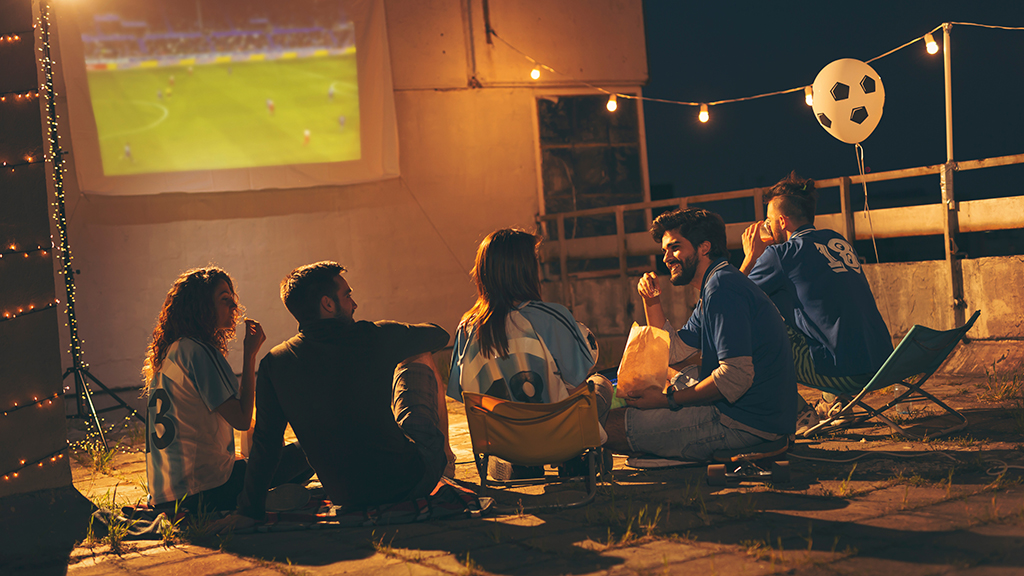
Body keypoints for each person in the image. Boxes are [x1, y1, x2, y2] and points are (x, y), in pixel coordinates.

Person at [220, 261, 454, 529]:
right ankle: (445, 460)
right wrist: (394, 338)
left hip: (346, 495)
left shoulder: (276, 362)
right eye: (347, 295)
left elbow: (266, 442)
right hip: (408, 481)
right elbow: (439, 335)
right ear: (327, 304)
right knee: (419, 356)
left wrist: (249, 510)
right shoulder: (374, 335)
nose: (354, 304)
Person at [604, 209, 796, 460]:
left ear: (704, 247)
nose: (666, 258)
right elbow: (673, 352)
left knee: (605, 426)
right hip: (758, 417)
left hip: (745, 425)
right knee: (677, 374)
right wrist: (652, 301)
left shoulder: (722, 288)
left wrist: (666, 401)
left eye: (674, 248)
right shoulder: (717, 283)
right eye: (664, 250)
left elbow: (735, 377)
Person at [143, 267, 310, 514]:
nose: (234, 306)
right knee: (310, 447)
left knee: (259, 462)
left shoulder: (173, 351)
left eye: (233, 299)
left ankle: (260, 494)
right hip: (203, 493)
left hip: (166, 496)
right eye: (224, 299)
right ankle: (252, 500)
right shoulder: (198, 350)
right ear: (200, 306)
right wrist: (250, 355)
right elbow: (242, 420)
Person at [447, 229, 613, 478]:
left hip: (505, 442)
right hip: (559, 438)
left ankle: (518, 465)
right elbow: (579, 377)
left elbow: (462, 394)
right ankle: (574, 459)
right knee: (600, 384)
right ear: (524, 270)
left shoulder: (467, 328)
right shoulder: (550, 316)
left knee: (501, 449)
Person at [739, 172, 893, 429]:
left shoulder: (781, 254)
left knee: (752, 333)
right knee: (808, 317)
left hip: (845, 373)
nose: (767, 227)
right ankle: (836, 402)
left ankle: (800, 414)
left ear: (781, 221)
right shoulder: (836, 240)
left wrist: (749, 257)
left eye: (768, 221)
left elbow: (728, 299)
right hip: (881, 361)